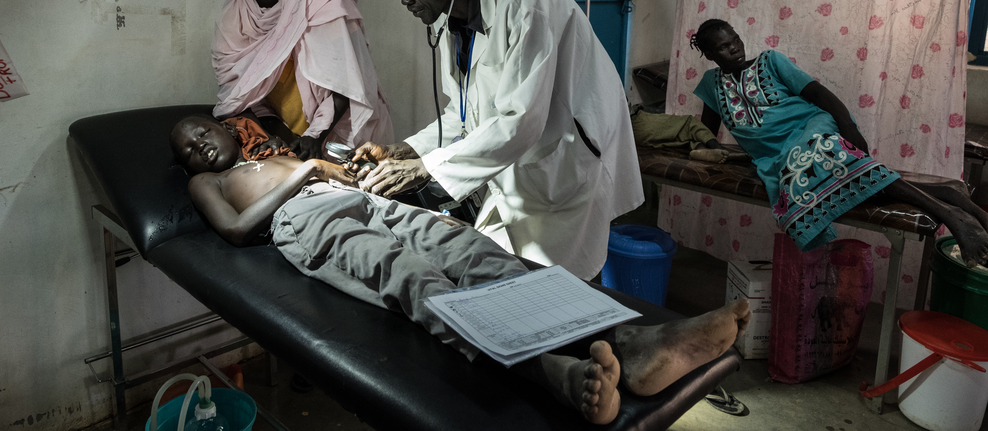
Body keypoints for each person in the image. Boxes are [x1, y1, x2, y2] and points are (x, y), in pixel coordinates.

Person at [169, 114, 750, 425]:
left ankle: (629, 338)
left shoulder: (273, 147)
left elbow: (337, 165)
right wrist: (307, 172)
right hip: (308, 223)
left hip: (366, 199)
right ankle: (558, 375)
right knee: (415, 279)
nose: (197, 147)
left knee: (476, 253)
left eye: (202, 132)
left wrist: (341, 167)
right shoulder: (211, 182)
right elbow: (237, 231)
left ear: (227, 125)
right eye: (188, 148)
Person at [352, 0, 643, 280]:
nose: (405, 1)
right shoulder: (452, 24)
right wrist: (406, 150)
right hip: (518, 167)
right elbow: (461, 115)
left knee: (565, 284)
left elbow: (521, 121)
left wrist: (426, 168)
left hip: (564, 154)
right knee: (499, 271)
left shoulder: (525, 5)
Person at [689, 18, 988, 267]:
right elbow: (707, 131)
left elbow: (818, 94)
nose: (735, 49)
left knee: (818, 155)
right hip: (775, 156)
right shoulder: (711, 85)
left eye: (736, 40)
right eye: (723, 48)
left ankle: (951, 216)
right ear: (710, 55)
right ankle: (949, 196)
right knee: (830, 182)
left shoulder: (770, 61)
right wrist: (709, 149)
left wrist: (848, 127)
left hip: (809, 128)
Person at [211, 0, 393, 161]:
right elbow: (239, 97)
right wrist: (279, 138)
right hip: (285, 137)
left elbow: (349, 76)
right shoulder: (232, 21)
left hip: (343, 129)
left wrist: (315, 135)